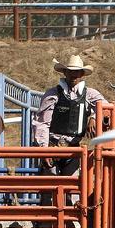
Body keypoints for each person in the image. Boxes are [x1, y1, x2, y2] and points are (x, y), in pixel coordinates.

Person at [33, 55, 105, 205]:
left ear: (82, 74)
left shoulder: (90, 94)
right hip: (53, 146)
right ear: (64, 73)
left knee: (72, 189)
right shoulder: (52, 94)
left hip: (73, 149)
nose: (74, 75)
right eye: (71, 71)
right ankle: (48, 225)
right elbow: (42, 123)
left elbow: (106, 109)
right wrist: (44, 149)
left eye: (77, 72)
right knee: (50, 189)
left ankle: (71, 223)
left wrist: (93, 116)